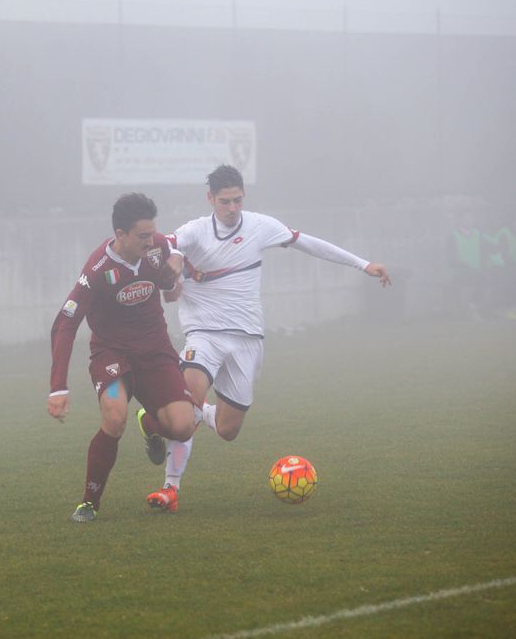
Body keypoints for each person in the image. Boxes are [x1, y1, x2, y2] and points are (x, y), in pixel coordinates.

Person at [138, 165, 390, 513]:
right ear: (210, 199)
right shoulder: (193, 231)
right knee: (187, 402)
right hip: (204, 334)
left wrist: (363, 264)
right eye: (224, 201)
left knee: (227, 429)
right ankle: (170, 489)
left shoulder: (261, 226)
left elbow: (308, 244)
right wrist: (174, 270)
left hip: (248, 339)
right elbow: (171, 251)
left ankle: (150, 420)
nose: (232, 208)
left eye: (237, 200)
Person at [48, 193, 196, 523]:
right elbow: (65, 323)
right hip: (113, 357)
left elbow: (171, 292)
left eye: (152, 234)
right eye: (142, 236)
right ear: (120, 235)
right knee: (114, 418)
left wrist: (176, 272)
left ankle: (149, 422)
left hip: (156, 352)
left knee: (184, 427)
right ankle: (89, 502)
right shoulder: (98, 269)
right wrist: (58, 387)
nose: (151, 241)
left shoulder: (156, 247)